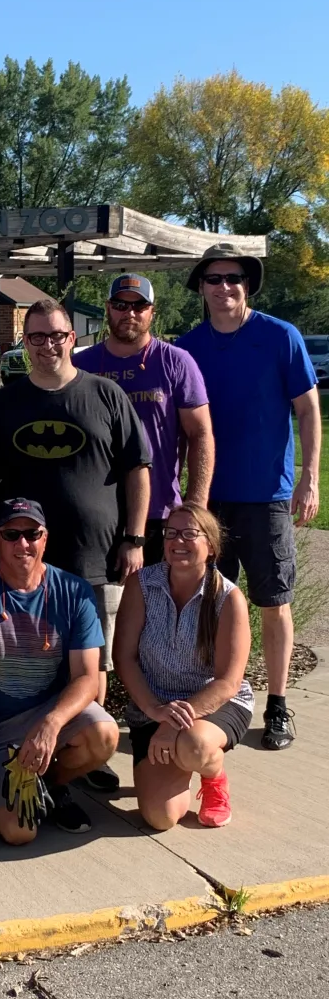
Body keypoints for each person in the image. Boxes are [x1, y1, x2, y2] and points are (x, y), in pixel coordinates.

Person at [0, 297, 150, 789]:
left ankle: (85, 751)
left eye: (56, 335)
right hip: (23, 561)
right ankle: (42, 748)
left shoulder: (106, 395)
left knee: (95, 662)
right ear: (24, 344)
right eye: (36, 337)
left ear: (73, 338)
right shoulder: (8, 402)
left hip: (95, 556)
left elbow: (138, 470)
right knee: (34, 661)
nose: (47, 345)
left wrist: (134, 537)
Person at [176, 243, 321, 751]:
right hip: (208, 499)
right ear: (201, 288)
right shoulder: (188, 347)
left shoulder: (280, 337)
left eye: (233, 278)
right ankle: (212, 698)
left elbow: (307, 410)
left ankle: (277, 704)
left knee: (273, 600)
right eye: (213, 279)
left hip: (266, 496)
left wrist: (310, 477)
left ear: (247, 284)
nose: (223, 287)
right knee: (210, 601)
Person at [0, 498, 119, 842]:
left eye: (31, 533)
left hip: (50, 715)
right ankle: (13, 784)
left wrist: (51, 723)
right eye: (11, 534)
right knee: (19, 833)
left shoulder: (74, 591)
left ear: (45, 538)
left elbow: (86, 677)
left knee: (104, 734)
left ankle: (52, 783)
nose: (22, 543)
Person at [113, 503, 253, 831]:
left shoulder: (228, 598)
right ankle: (182, 761)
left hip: (214, 706)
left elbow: (228, 682)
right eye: (171, 533)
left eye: (190, 533)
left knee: (195, 746)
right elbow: (125, 659)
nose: (178, 541)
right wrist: (155, 710)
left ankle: (213, 773)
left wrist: (174, 725)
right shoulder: (142, 585)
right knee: (160, 817)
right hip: (154, 706)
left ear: (211, 546)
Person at [78, 274, 214, 563]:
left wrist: (195, 507)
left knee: (157, 603)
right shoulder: (81, 365)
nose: (129, 313)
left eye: (139, 307)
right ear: (107, 308)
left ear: (153, 311)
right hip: (94, 511)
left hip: (158, 512)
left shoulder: (175, 362)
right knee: (98, 606)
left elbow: (200, 434)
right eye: (121, 305)